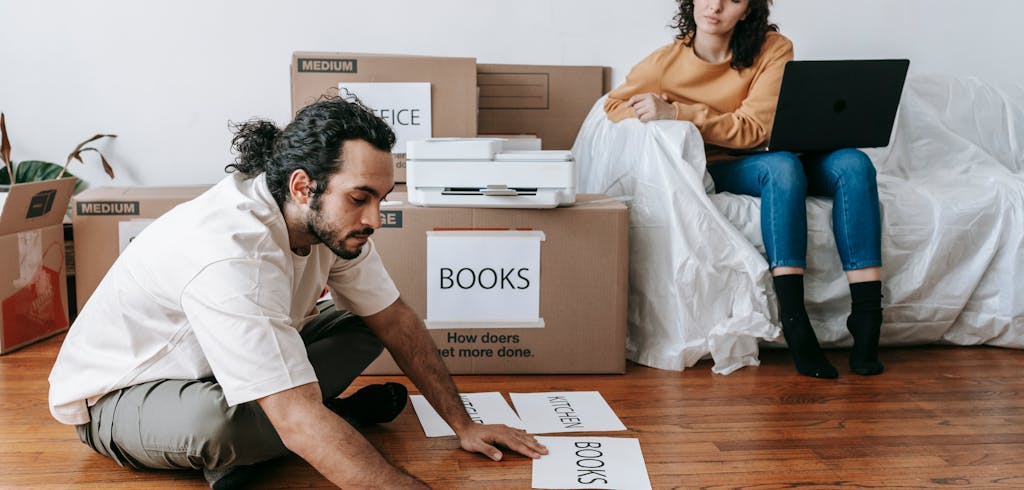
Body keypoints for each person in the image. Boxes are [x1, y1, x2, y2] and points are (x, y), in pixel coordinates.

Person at [47, 97, 547, 488]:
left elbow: (395, 318)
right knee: (218, 428)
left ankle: (283, 440)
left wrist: (465, 425)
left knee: (368, 324)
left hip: (224, 366)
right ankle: (325, 423)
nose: (374, 219)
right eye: (360, 198)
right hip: (120, 398)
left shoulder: (333, 226)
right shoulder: (229, 251)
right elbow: (294, 414)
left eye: (380, 199)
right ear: (304, 186)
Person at [604, 0, 884, 379]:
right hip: (727, 165)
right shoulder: (664, 63)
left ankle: (867, 318)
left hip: (778, 150)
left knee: (854, 164)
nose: (715, 6)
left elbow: (754, 129)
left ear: (749, 9)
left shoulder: (774, 48)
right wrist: (662, 115)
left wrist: (680, 112)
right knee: (782, 167)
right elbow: (614, 104)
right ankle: (794, 319)